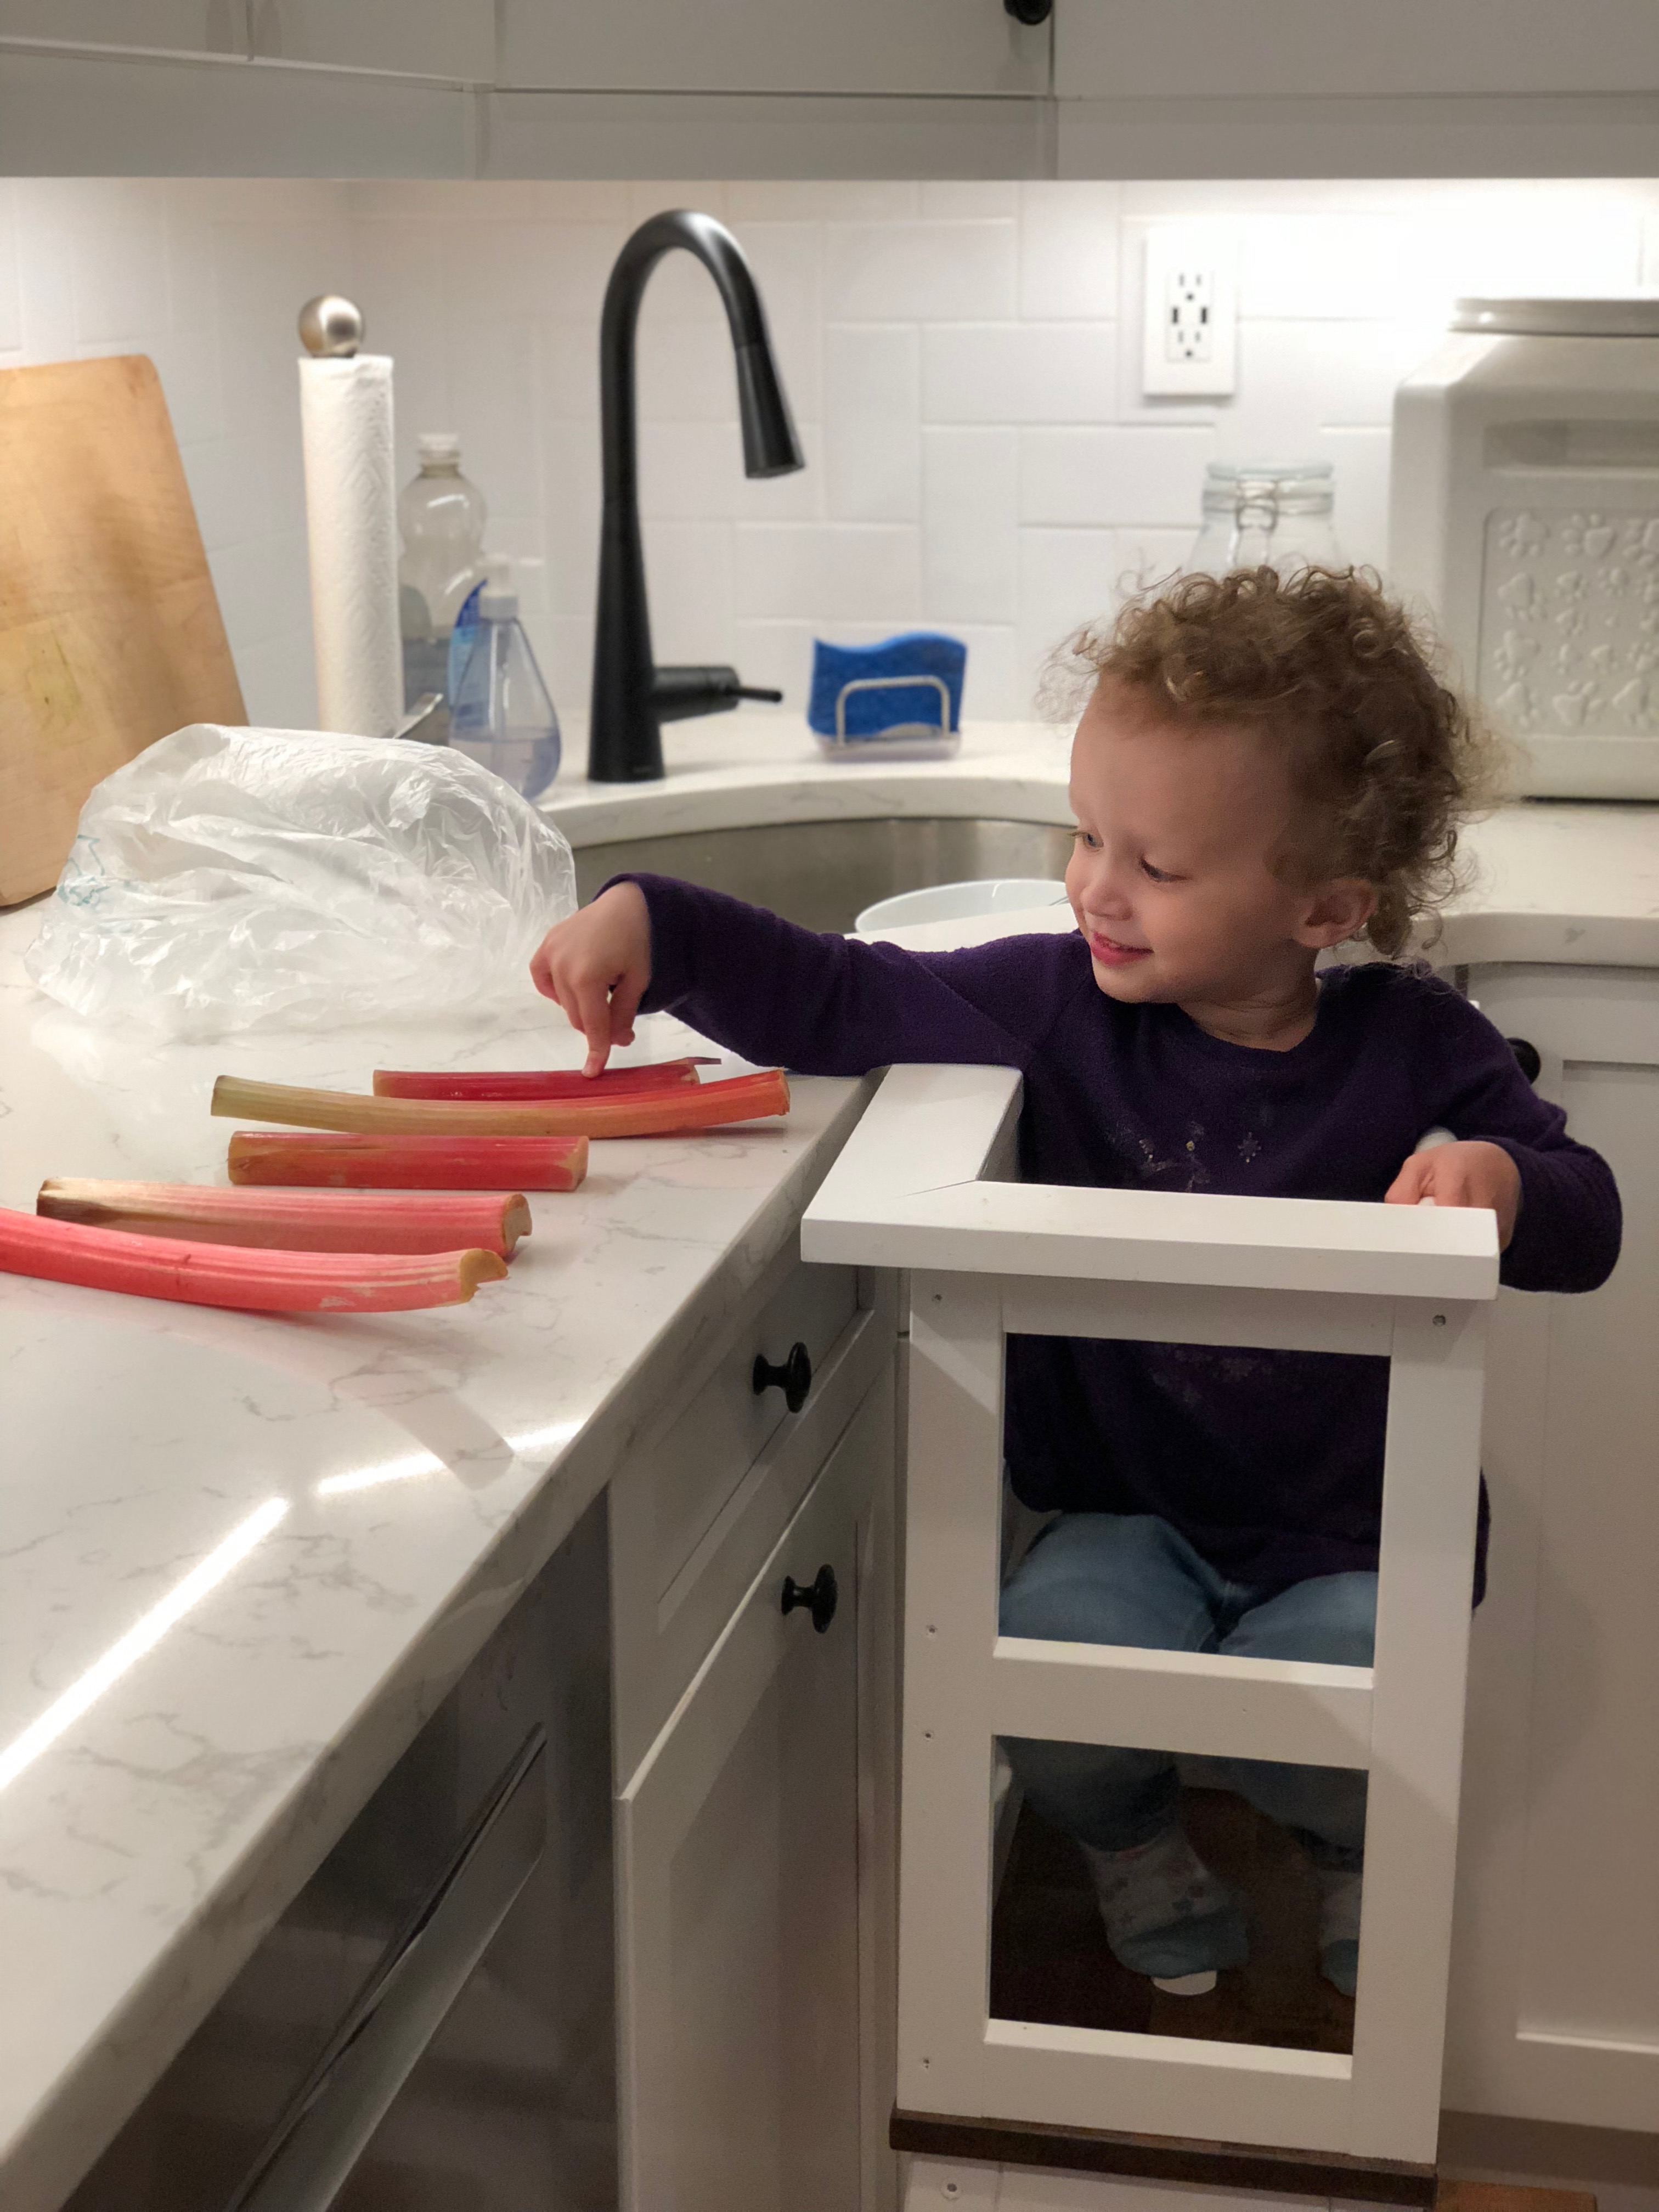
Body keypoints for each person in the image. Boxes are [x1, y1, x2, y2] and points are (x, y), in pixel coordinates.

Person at [531, 566, 1621, 2000]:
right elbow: (838, 992)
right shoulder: (1053, 1003)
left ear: (1326, 906)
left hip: (1356, 1531)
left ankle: (1349, 1847)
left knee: (1353, 1708)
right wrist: (655, 924)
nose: (1096, 886)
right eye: (1088, 834)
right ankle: (1132, 1844)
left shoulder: (1416, 1043)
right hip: (1125, 1511)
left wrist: (1503, 1179)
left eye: (1157, 867)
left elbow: (1589, 1219)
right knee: (1047, 1667)